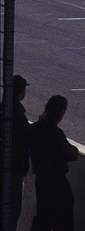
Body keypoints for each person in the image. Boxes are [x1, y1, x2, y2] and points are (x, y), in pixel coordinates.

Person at [28, 95, 80, 231]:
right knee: (64, 219)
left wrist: (39, 122)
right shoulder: (56, 134)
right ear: (61, 114)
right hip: (57, 182)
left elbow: (30, 134)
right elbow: (72, 154)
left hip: (41, 180)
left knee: (42, 217)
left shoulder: (35, 130)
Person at [0, 75, 30, 231]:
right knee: (12, 212)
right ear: (21, 92)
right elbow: (23, 143)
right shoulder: (17, 116)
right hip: (14, 172)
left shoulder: (4, 110)